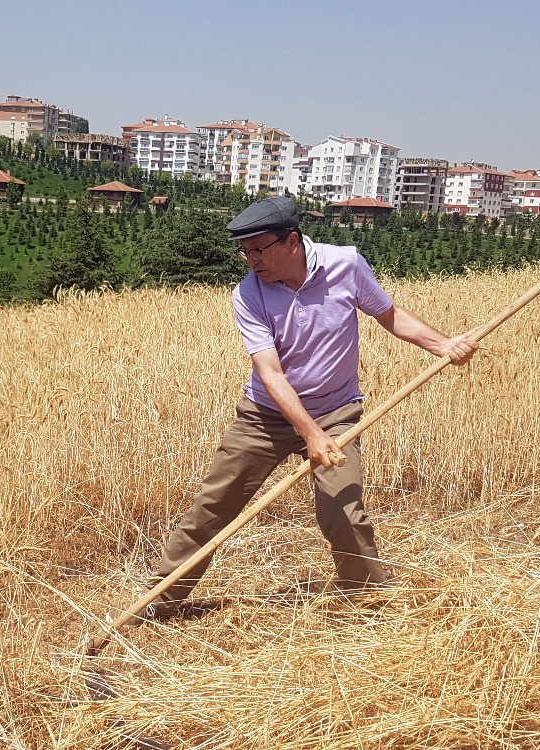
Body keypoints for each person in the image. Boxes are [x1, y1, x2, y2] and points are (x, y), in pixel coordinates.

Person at [144, 195, 478, 615]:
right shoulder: (249, 294)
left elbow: (388, 314)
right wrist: (309, 433)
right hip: (265, 416)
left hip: (336, 412)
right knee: (214, 506)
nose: (251, 260)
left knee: (343, 510)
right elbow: (271, 373)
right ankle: (158, 599)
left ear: (292, 241)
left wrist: (442, 344)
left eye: (259, 249)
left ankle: (369, 600)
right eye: (244, 252)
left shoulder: (347, 265)